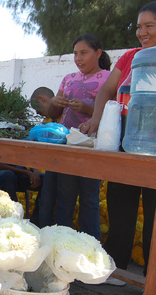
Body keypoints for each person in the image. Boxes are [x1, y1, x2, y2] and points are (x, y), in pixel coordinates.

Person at [80, 1, 156, 283]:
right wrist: (97, 120)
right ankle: (117, 268)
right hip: (127, 139)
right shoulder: (130, 57)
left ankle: (153, 284)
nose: (142, 32)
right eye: (140, 26)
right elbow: (106, 91)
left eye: (149, 25)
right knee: (121, 202)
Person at [48, 33, 112, 240]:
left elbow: (113, 113)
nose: (78, 58)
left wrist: (87, 108)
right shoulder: (69, 79)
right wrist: (55, 104)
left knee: (89, 199)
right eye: (75, 53)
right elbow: (53, 114)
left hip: (92, 148)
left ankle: (90, 247)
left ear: (98, 53)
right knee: (65, 197)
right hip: (67, 145)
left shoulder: (109, 78)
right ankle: (60, 244)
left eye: (84, 53)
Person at [29, 87, 58, 228]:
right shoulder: (45, 123)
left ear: (42, 99)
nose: (37, 113)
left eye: (37, 108)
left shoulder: (62, 118)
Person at [0, 162, 43, 226]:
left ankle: (35, 223)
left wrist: (35, 171)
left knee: (44, 179)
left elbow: (29, 158)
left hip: (21, 172)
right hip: (2, 173)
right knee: (8, 176)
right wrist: (26, 172)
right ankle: (13, 219)